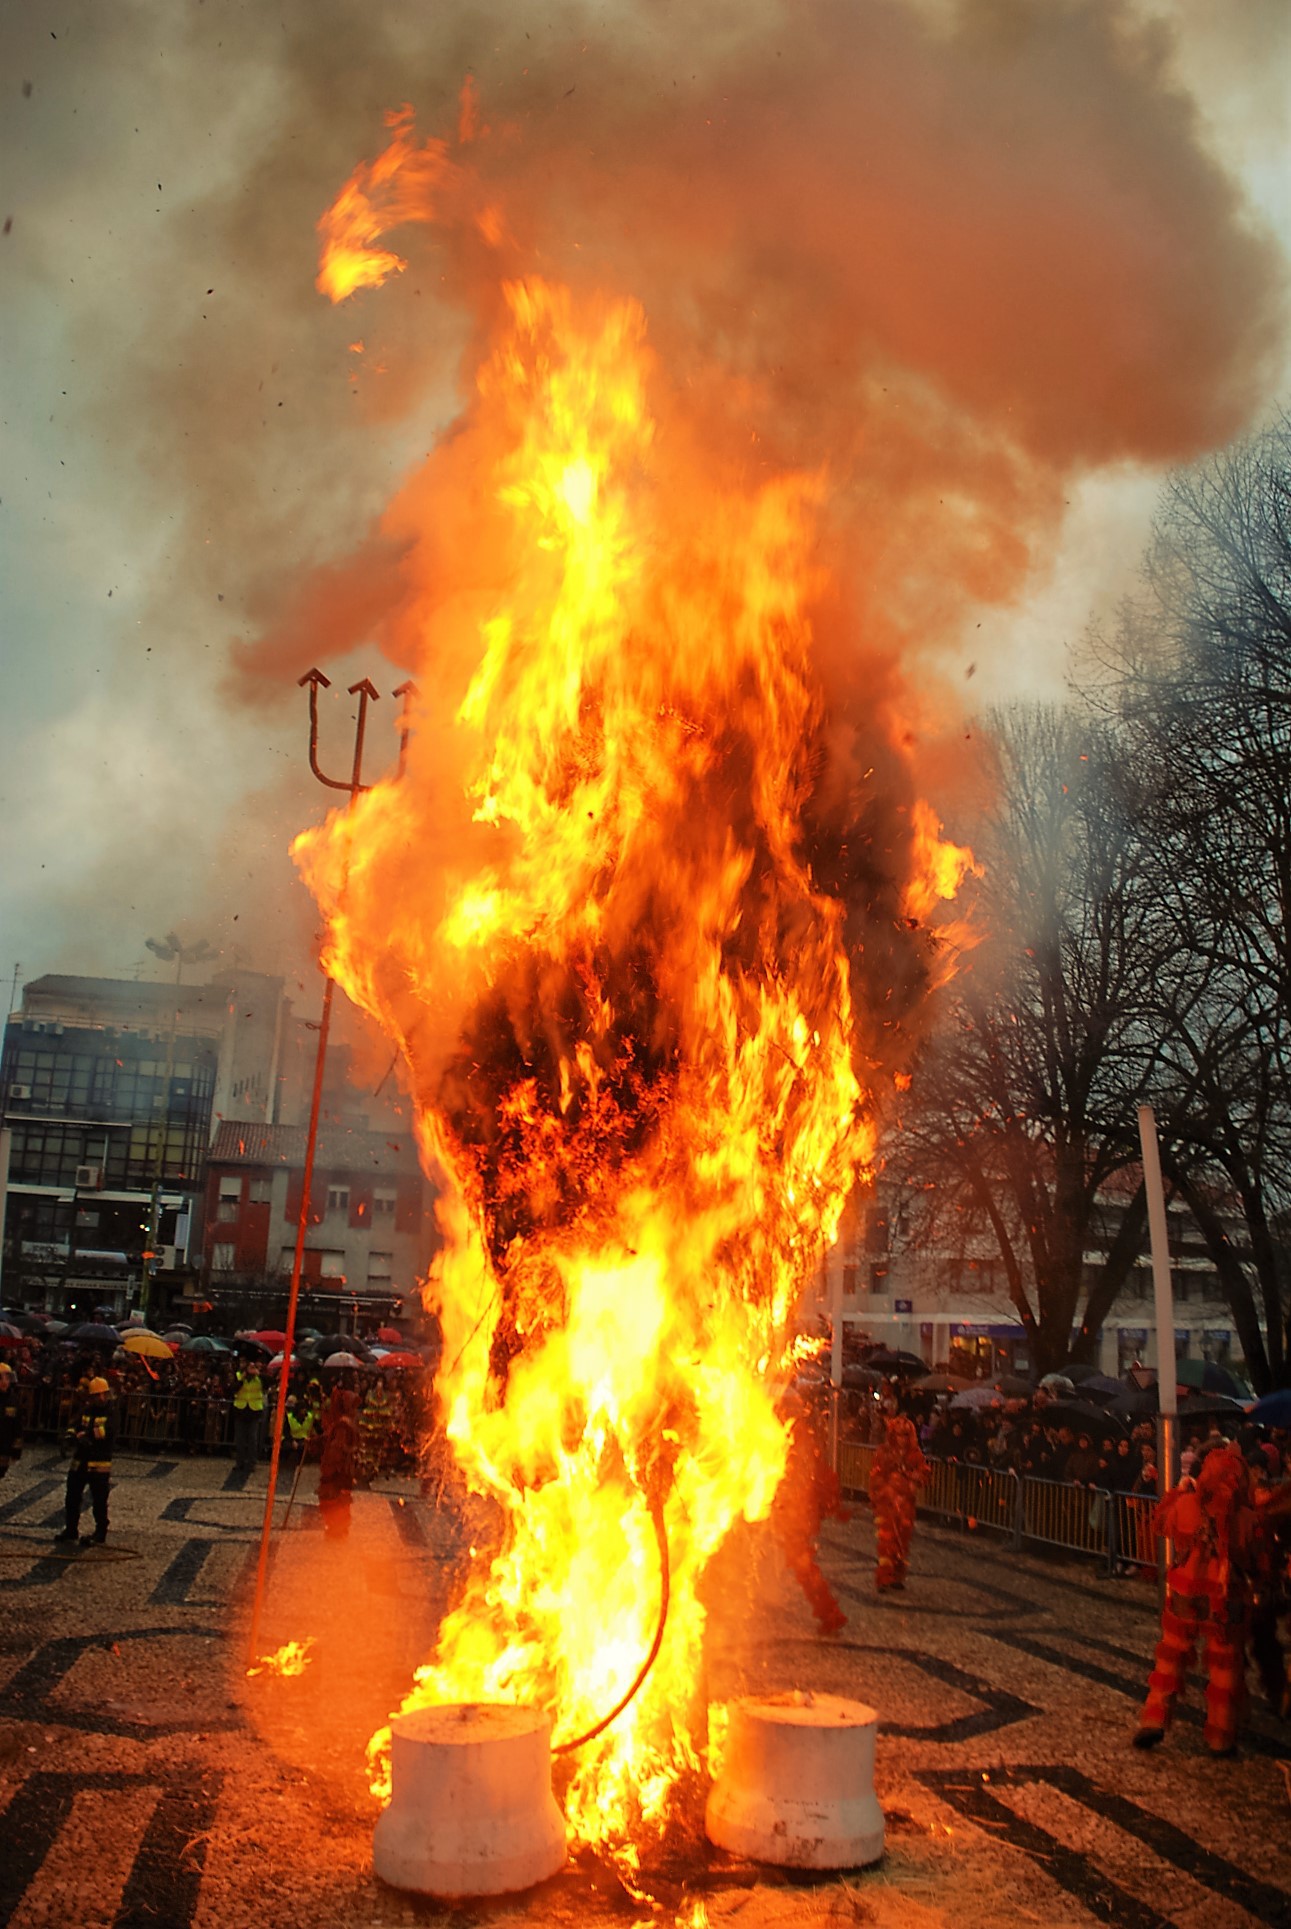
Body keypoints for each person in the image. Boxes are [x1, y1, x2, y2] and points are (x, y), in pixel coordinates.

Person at [1134, 1442, 1257, 1755]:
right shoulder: (1245, 1517)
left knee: (1170, 1658)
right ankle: (1220, 1737)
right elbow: (1253, 1556)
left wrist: (1180, 1491)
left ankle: (1154, 1720)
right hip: (1226, 1599)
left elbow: (1161, 1523)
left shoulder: (1189, 1504)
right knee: (1225, 1670)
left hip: (1186, 1592)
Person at [771, 1386, 850, 1633]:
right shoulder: (794, 1435)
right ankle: (828, 1611)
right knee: (800, 1562)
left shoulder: (796, 1439)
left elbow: (806, 1476)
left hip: (796, 1513)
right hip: (793, 1511)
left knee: (802, 1562)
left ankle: (829, 1613)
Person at [869, 1405, 930, 1591]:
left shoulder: (915, 1455)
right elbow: (875, 1474)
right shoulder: (884, 1452)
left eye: (905, 1436)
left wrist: (915, 1478)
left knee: (902, 1540)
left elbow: (925, 1473)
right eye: (898, 1435)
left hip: (906, 1505)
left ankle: (897, 1575)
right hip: (887, 1502)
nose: (902, 1439)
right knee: (887, 1539)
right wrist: (882, 1490)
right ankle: (883, 1577)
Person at [57, 1375, 114, 1545]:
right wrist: (71, 1436)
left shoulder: (111, 1412)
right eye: (97, 1395)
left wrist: (87, 1435)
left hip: (99, 1463)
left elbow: (107, 1432)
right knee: (72, 1497)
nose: (101, 1398)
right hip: (80, 1462)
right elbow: (73, 1425)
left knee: (99, 1500)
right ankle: (71, 1529)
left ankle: (100, 1532)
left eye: (104, 1394)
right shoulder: (86, 1411)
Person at [317, 1383, 361, 1538]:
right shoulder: (346, 1422)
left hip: (338, 1469)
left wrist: (328, 1465)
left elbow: (336, 1448)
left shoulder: (343, 1424)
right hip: (345, 1469)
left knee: (335, 1500)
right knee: (341, 1499)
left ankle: (336, 1529)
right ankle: (340, 1528)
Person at [231, 1359, 265, 1475]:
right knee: (240, 1438)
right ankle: (239, 1462)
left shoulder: (259, 1377)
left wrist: (258, 1373)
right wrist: (243, 1378)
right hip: (241, 1409)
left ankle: (252, 1463)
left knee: (252, 1438)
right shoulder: (239, 1375)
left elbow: (269, 1382)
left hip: (254, 1410)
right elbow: (232, 1388)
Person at [0, 1360, 23, 1483]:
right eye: (4, 1378)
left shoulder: (13, 1399)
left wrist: (16, 1450)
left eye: (8, 1378)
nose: (6, 1382)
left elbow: (18, 1426)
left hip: (4, 1446)